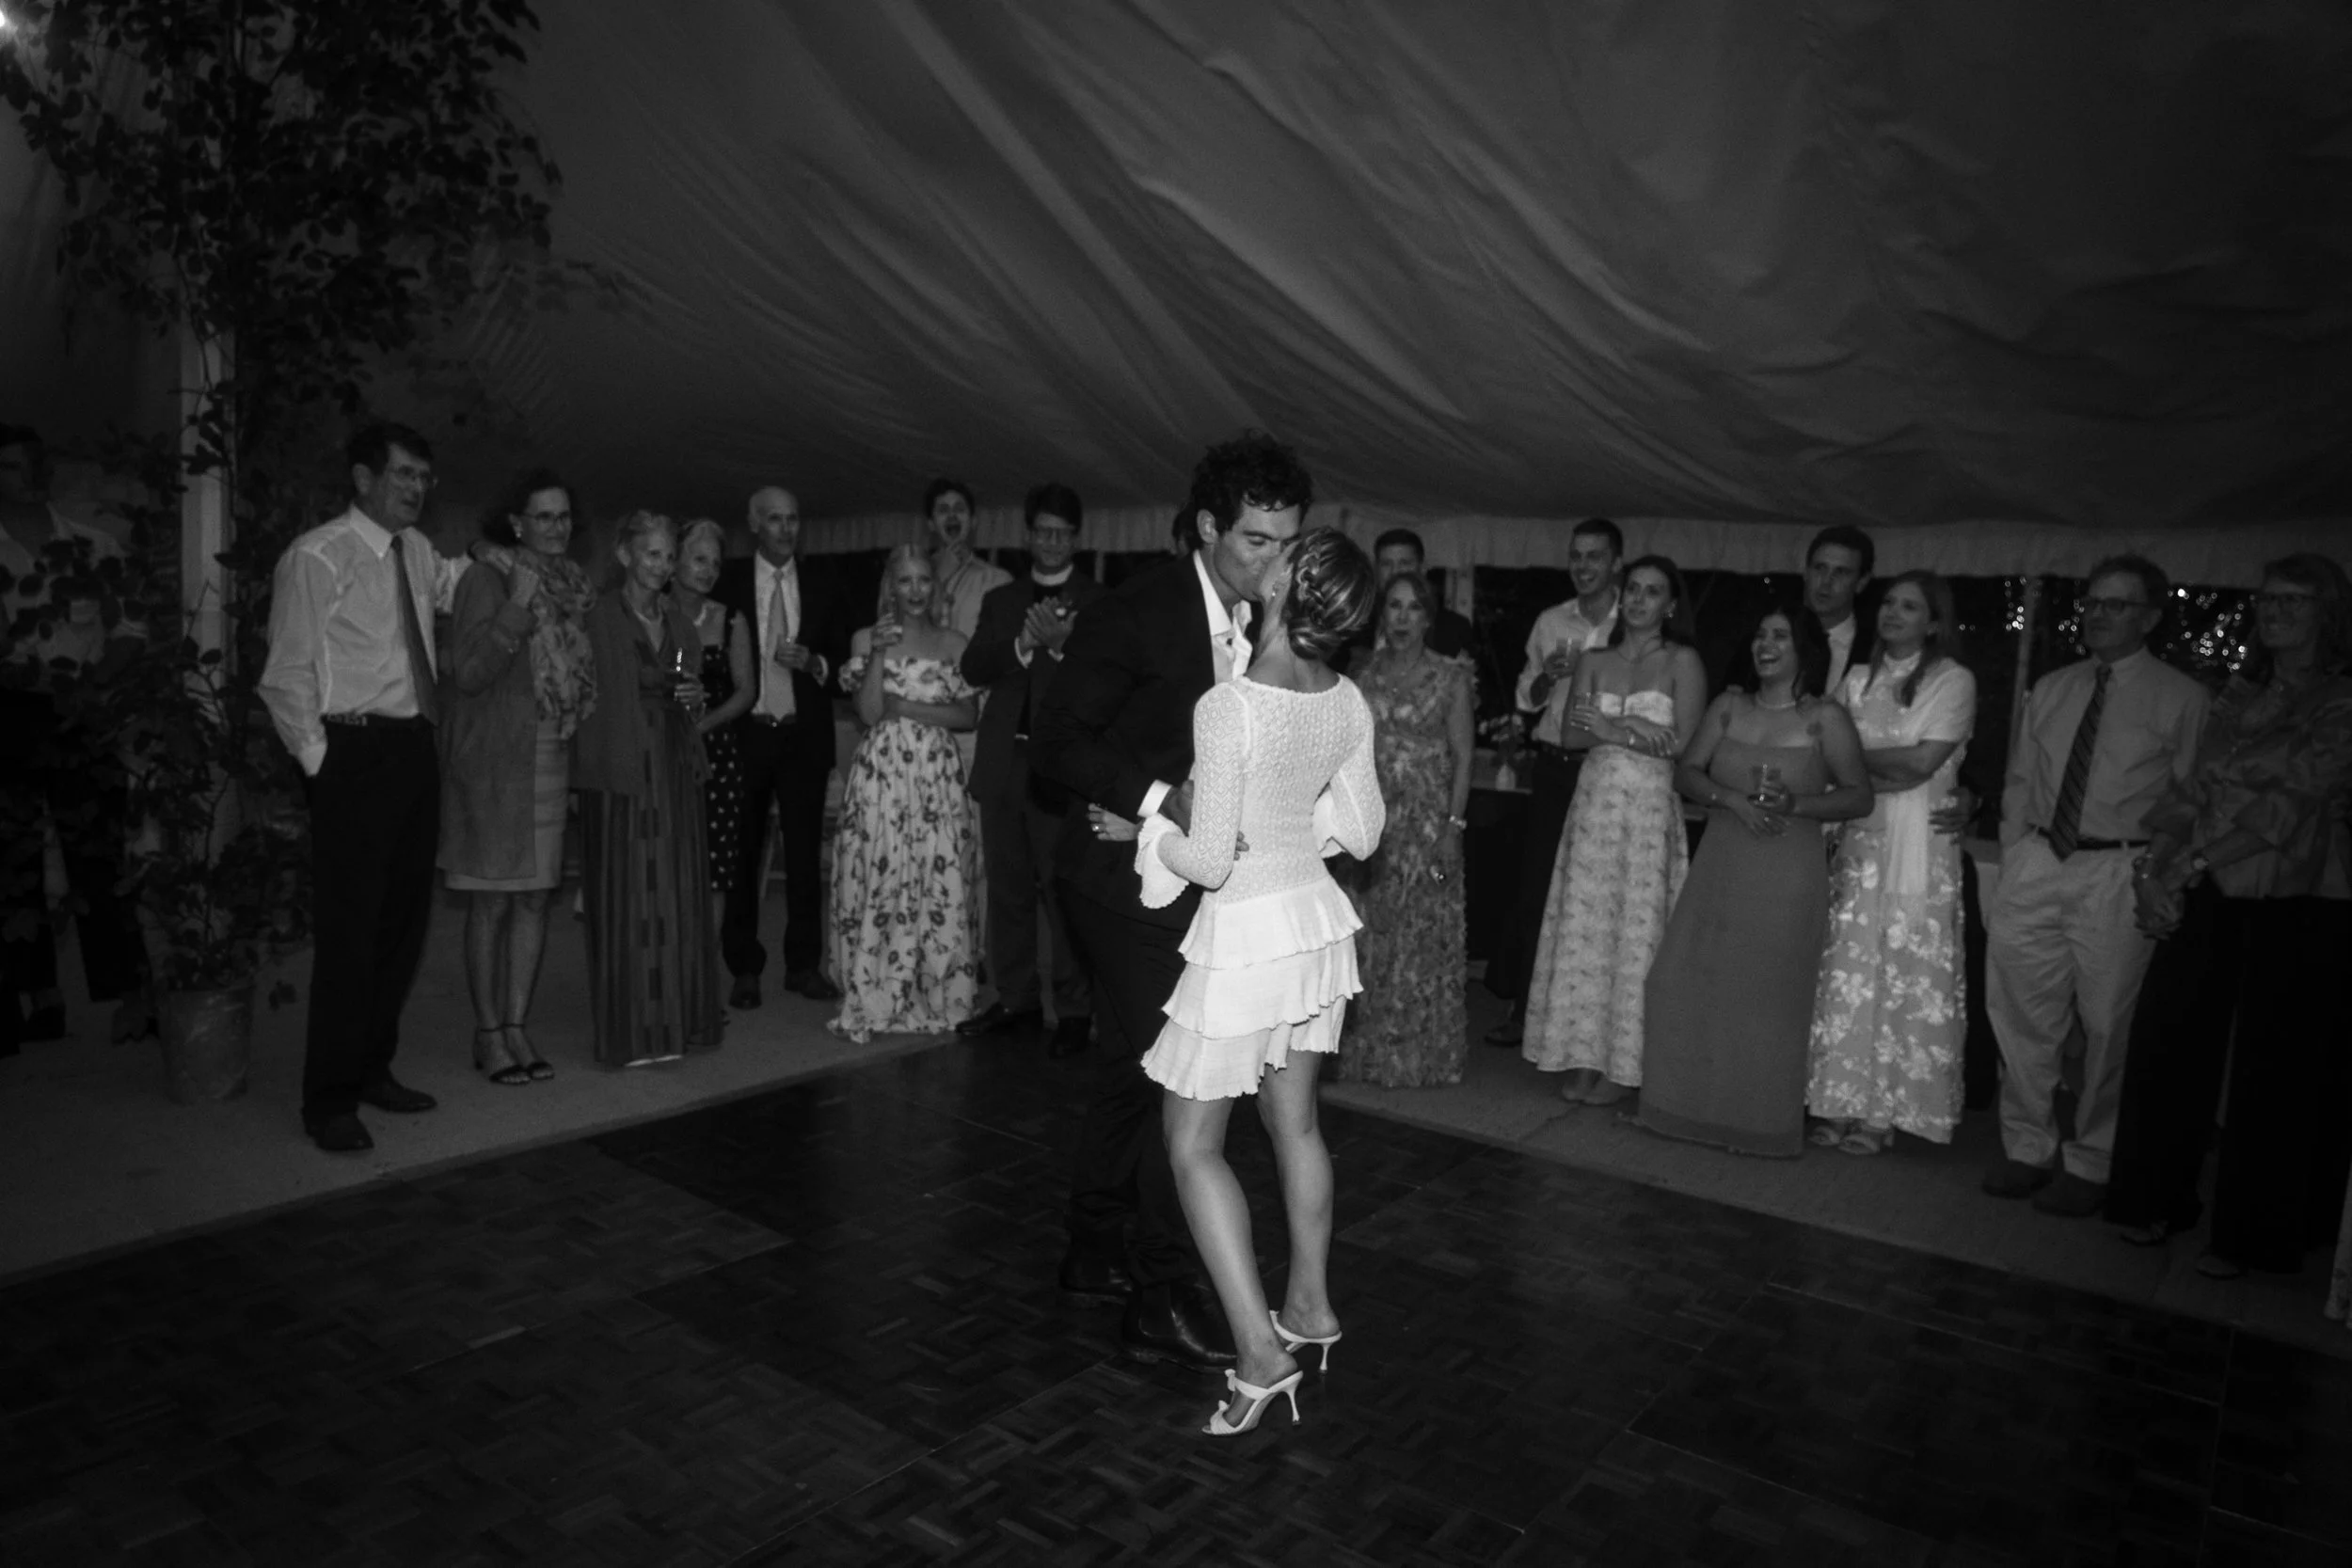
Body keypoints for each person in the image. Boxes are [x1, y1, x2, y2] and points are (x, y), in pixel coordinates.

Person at [1031, 428, 1311, 1371]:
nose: (1274, 563)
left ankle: (1091, 1247)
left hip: (1199, 878)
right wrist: (1157, 798)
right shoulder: (1137, 610)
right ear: (1206, 528)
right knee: (1185, 1076)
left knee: (1129, 1066)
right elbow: (1057, 743)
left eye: (1286, 542)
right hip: (1117, 881)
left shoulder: (1269, 622)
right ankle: (1162, 1289)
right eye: (1255, 542)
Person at [1120, 527, 1382, 1435]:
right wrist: (1293, 839)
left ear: (1287, 585)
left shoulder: (1231, 706)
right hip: (1312, 925)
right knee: (1296, 1121)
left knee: (1191, 1143)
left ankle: (1261, 1356)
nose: (1262, 553)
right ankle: (1308, 1306)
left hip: (1247, 939)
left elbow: (1207, 860)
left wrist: (1150, 833)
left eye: (1281, 550)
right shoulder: (1345, 699)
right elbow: (1367, 827)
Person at [2106, 553, 2352, 1277]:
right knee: (2168, 1037)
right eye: (2268, 599)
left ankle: (2252, 1234)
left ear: (2328, 614)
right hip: (2208, 877)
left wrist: (2195, 862)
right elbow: (2190, 790)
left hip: (2301, 896)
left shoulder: (2341, 700)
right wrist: (2155, 868)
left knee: (2275, 1070)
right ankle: (2158, 1197)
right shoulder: (2237, 694)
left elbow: (2293, 804)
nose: (2275, 611)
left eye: (2295, 601)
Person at [259, 422, 477, 1152]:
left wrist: (518, 557)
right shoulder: (316, 556)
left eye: (424, 477)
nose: (417, 488)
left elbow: (464, 584)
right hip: (351, 750)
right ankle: (327, 1099)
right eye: (404, 474)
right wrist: (323, 766)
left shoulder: (416, 552)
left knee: (402, 928)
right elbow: (286, 675)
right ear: (362, 478)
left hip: (414, 745)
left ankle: (372, 1069)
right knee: (351, 934)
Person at [1979, 556, 2207, 1216]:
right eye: (2094, 601)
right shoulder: (2051, 687)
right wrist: (2017, 848)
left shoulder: (2182, 697)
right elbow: (2022, 778)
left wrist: (2161, 878)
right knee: (2019, 1010)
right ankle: (2027, 1146)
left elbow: (2191, 796)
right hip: (2040, 857)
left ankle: (2095, 1156)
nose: (2100, 613)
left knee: (2108, 1022)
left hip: (2119, 867)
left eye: (2118, 604)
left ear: (2152, 617)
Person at [1635, 598, 1871, 1155]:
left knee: (1768, 999)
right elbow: (1687, 773)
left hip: (1788, 872)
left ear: (1803, 649)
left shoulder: (1825, 718)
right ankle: (1686, 1109)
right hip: (1722, 861)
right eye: (1760, 636)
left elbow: (1860, 796)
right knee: (1687, 982)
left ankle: (1757, 1124)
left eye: (1780, 636)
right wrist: (1730, 798)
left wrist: (1797, 803)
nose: (1765, 646)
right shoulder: (1728, 706)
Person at [1521, 554, 1707, 1104]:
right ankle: (1577, 1055)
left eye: (1653, 592)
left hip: (1648, 809)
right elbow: (1574, 737)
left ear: (1670, 604)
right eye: (1633, 590)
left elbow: (1688, 745)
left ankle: (1625, 1065)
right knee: (1585, 931)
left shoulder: (1683, 661)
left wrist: (1613, 727)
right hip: (1595, 803)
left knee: (1635, 932)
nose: (1639, 599)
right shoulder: (1595, 659)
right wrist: (1635, 728)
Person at [1805, 570, 1978, 1154]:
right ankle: (1837, 1099)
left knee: (1904, 969)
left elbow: (1921, 764)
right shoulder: (1856, 678)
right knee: (1849, 970)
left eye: (1910, 606)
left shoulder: (1953, 682)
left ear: (1934, 622)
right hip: (1858, 839)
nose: (1894, 614)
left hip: (1916, 843)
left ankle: (1886, 1111)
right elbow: (1821, 755)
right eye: (1888, 604)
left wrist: (1851, 758)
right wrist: (1856, 764)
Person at [436, 469, 597, 1085]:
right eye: (544, 515)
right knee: (492, 902)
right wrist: (515, 606)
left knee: (533, 897)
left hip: (551, 752)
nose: (556, 527)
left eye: (563, 516)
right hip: (497, 758)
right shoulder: (486, 577)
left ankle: (518, 1023)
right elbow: (468, 671)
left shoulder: (575, 588)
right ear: (516, 522)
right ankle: (488, 1032)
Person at [956, 483, 1104, 1054]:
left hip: (1061, 769)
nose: (1050, 541)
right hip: (1003, 762)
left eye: (1061, 533)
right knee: (1008, 888)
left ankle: (1072, 1010)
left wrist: (1064, 646)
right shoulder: (1002, 599)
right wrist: (1022, 642)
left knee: (1061, 889)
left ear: (1076, 537)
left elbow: (1106, 682)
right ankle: (1015, 999)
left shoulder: (1096, 600)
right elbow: (972, 667)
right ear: (1027, 534)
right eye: (1042, 531)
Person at [571, 511, 722, 1065]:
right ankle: (633, 1030)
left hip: (674, 764)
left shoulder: (680, 627)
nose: (661, 565)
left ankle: (675, 1021)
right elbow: (588, 690)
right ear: (626, 555)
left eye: (667, 555)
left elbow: (682, 678)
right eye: (651, 554)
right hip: (618, 764)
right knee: (629, 891)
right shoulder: (600, 618)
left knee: (675, 889)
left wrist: (694, 695)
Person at [828, 546, 981, 1041]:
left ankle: (937, 989)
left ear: (935, 588)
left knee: (939, 878)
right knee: (881, 873)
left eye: (923, 581)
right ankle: (876, 986)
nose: (914, 591)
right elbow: (872, 713)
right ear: (890, 588)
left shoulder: (955, 642)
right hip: (881, 778)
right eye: (905, 581)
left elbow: (968, 716)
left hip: (937, 778)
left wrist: (906, 705)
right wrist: (875, 651)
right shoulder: (864, 639)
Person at [1484, 517, 1622, 1046]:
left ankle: (1586, 1022)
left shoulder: (1628, 624)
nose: (1583, 566)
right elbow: (1527, 697)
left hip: (1606, 767)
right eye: (1577, 556)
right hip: (1555, 766)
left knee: (1593, 894)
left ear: (1615, 565)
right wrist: (1550, 676)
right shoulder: (1550, 621)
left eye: (1594, 557)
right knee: (1539, 886)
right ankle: (1526, 1011)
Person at [713, 485, 848, 1007]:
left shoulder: (823, 581)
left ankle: (803, 965)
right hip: (746, 735)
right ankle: (744, 966)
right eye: (775, 520)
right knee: (742, 855)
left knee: (804, 855)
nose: (786, 529)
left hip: (803, 734)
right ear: (753, 523)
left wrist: (814, 663)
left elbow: (841, 666)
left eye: (793, 519)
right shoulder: (725, 583)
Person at [1340, 570, 1474, 1088]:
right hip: (1372, 826)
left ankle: (1422, 1059)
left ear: (1427, 617)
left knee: (1423, 936)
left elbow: (1463, 759)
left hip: (1427, 826)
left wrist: (1453, 828)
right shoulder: (1361, 675)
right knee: (1370, 936)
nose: (1401, 618)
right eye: (1393, 607)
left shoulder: (1451, 677)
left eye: (1413, 608)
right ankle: (1366, 1054)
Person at [674, 518, 756, 918]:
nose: (708, 570)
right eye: (699, 559)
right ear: (673, 561)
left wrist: (704, 725)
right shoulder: (650, 615)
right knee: (664, 860)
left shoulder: (731, 619)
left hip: (718, 756)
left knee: (715, 868)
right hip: (660, 749)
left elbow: (747, 691)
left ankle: (703, 973)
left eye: (716, 563)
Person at [1329, 529, 1470, 671]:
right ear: (1376, 569)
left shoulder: (1453, 629)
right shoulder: (1353, 624)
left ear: (1422, 568)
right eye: (1386, 564)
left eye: (1404, 563)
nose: (1395, 572)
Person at [1805, 524, 1875, 694]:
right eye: (1820, 568)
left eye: (1841, 572)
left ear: (1861, 582)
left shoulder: (1877, 649)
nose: (1826, 581)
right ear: (1806, 572)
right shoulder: (1770, 638)